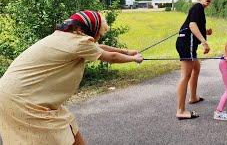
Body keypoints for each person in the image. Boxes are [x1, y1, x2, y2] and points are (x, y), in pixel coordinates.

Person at [0, 10, 143, 144]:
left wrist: (128, 52)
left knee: (68, 126)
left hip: (16, 94)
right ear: (89, 30)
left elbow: (99, 47)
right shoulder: (79, 42)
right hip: (23, 100)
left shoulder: (65, 37)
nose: (98, 37)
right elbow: (110, 57)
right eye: (98, 33)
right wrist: (133, 59)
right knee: (47, 138)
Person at [175, 0, 214, 120]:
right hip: (187, 43)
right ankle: (180, 110)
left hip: (186, 42)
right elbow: (192, 25)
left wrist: (205, 31)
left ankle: (193, 97)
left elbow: (195, 25)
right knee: (185, 76)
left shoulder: (199, 10)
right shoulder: (197, 7)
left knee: (196, 68)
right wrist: (204, 43)